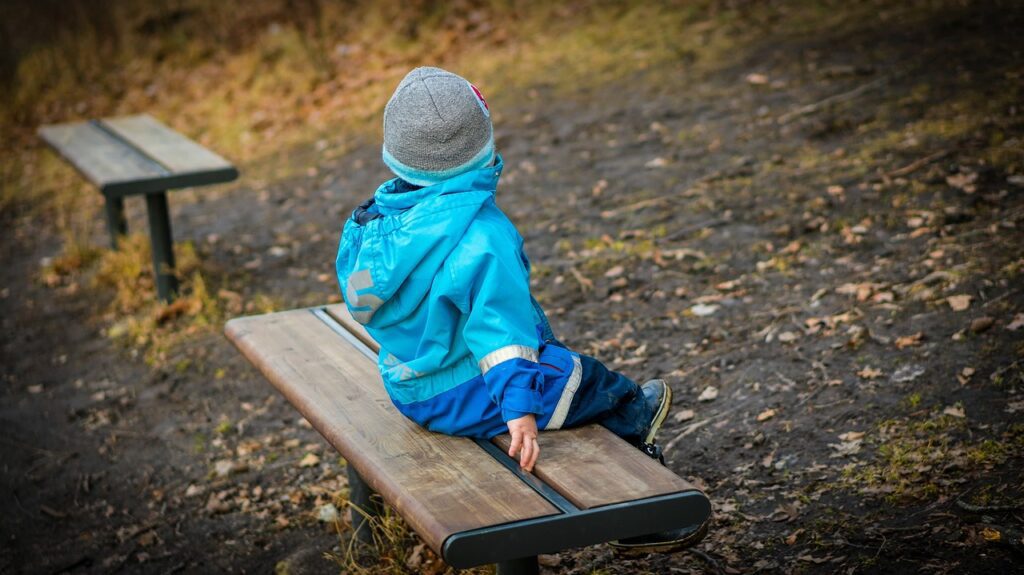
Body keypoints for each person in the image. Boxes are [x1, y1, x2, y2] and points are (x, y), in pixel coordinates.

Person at [336, 67, 705, 552]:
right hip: (469, 391)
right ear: (483, 148)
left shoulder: (373, 223)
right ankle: (640, 495)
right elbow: (499, 333)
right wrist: (518, 411)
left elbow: (360, 300)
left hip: (408, 384)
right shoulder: (483, 237)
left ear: (397, 155)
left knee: (554, 376)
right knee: (584, 380)